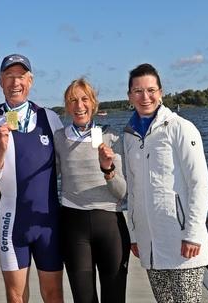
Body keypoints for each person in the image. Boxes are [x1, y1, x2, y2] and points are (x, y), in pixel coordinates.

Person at [0, 53, 64, 303]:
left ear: (31, 80)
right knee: (16, 298)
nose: (15, 83)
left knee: (54, 294)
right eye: (9, 76)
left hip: (48, 223)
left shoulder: (50, 118)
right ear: (0, 81)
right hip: (12, 224)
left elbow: (67, 166)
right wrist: (0, 150)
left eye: (21, 76)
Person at [124, 63, 208, 303]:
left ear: (161, 92)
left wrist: (193, 233)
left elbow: (199, 183)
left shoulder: (180, 128)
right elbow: (132, 190)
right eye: (138, 91)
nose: (145, 97)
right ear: (130, 95)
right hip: (150, 244)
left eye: (151, 90)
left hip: (183, 241)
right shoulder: (129, 136)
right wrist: (134, 235)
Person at [53, 78, 130, 303]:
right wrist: (4, 186)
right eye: (73, 100)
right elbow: (46, 177)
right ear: (67, 107)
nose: (79, 106)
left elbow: (121, 192)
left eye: (84, 99)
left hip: (110, 225)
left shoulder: (112, 136)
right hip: (73, 226)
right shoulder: (59, 138)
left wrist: (108, 169)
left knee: (114, 299)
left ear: (93, 103)